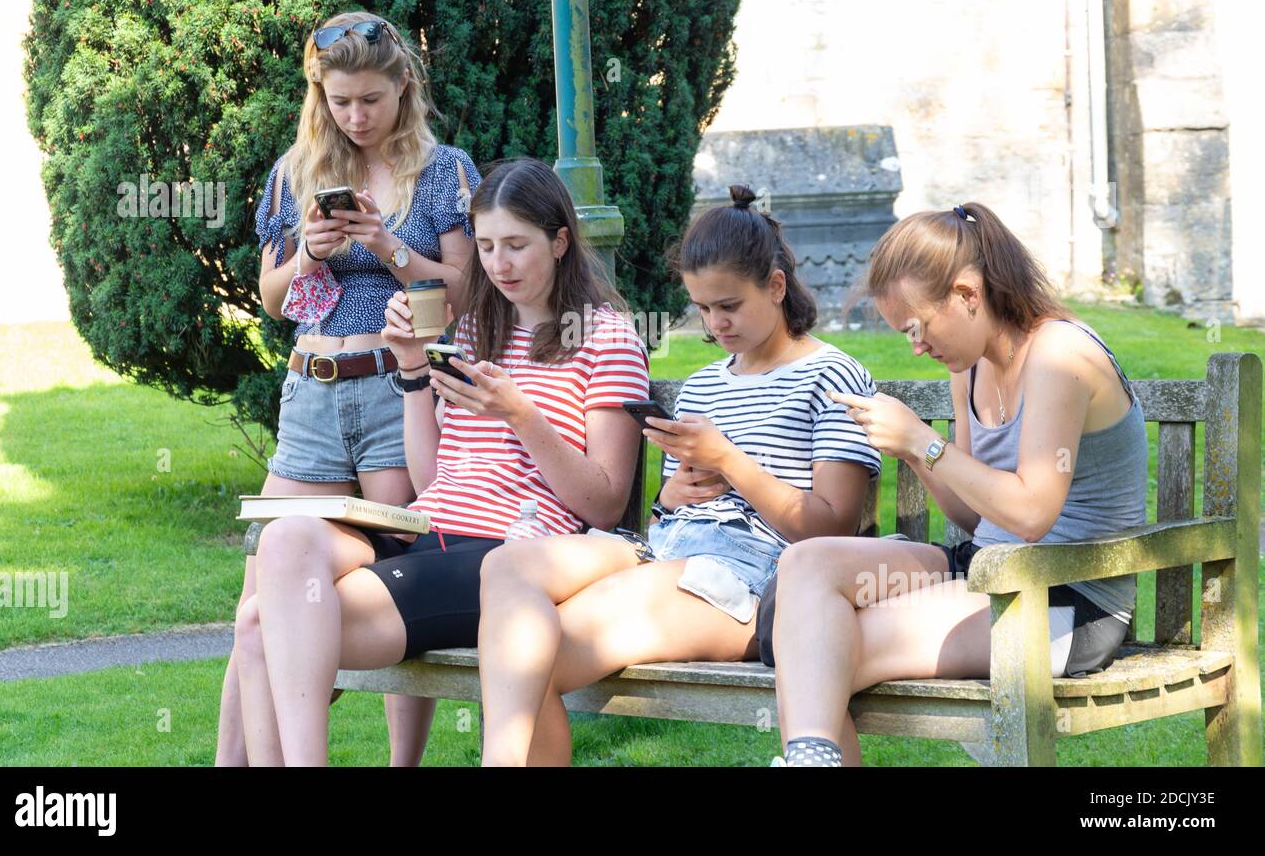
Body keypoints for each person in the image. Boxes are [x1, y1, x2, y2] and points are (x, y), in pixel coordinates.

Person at [232, 157, 651, 765]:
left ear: (560, 242)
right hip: (429, 526)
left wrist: (521, 415)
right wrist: (410, 368)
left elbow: (605, 502)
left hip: (507, 553)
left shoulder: (606, 337)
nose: (497, 264)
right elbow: (432, 480)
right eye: (484, 246)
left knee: (259, 627)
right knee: (287, 539)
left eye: (516, 245)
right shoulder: (476, 327)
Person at [476, 184, 882, 766]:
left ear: (775, 286)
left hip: (754, 577)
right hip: (667, 549)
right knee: (508, 566)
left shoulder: (831, 377)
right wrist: (673, 492)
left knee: (525, 654)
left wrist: (728, 462)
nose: (716, 324)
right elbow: (671, 511)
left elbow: (828, 532)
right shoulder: (705, 384)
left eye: (730, 307)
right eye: (703, 308)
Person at [761, 202, 1146, 767]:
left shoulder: (1060, 356)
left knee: (812, 647)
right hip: (987, 567)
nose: (915, 345)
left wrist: (923, 442)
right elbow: (975, 515)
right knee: (805, 568)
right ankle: (812, 759)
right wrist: (912, 454)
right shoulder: (968, 367)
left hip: (1066, 597)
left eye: (916, 327)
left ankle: (809, 760)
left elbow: (1033, 514)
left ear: (967, 294)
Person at [215, 10, 480, 766]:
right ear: (318, 95)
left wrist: (387, 245)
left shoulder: (444, 171)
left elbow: (465, 290)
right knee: (260, 593)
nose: (356, 116)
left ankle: (403, 765)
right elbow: (272, 297)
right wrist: (309, 257)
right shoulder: (297, 171)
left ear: (404, 87)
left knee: (396, 576)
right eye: (340, 101)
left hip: (395, 388)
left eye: (371, 99)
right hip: (311, 392)